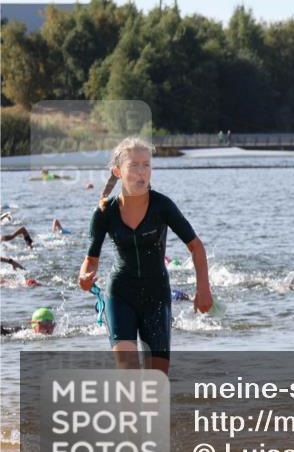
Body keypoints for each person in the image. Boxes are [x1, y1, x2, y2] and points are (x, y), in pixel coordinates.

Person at [77, 137, 213, 374]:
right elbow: (91, 260)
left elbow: (196, 247)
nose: (142, 172)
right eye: (134, 165)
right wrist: (84, 276)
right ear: (118, 172)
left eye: (146, 165)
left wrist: (204, 288)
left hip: (156, 296)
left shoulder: (163, 206)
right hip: (120, 295)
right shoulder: (104, 213)